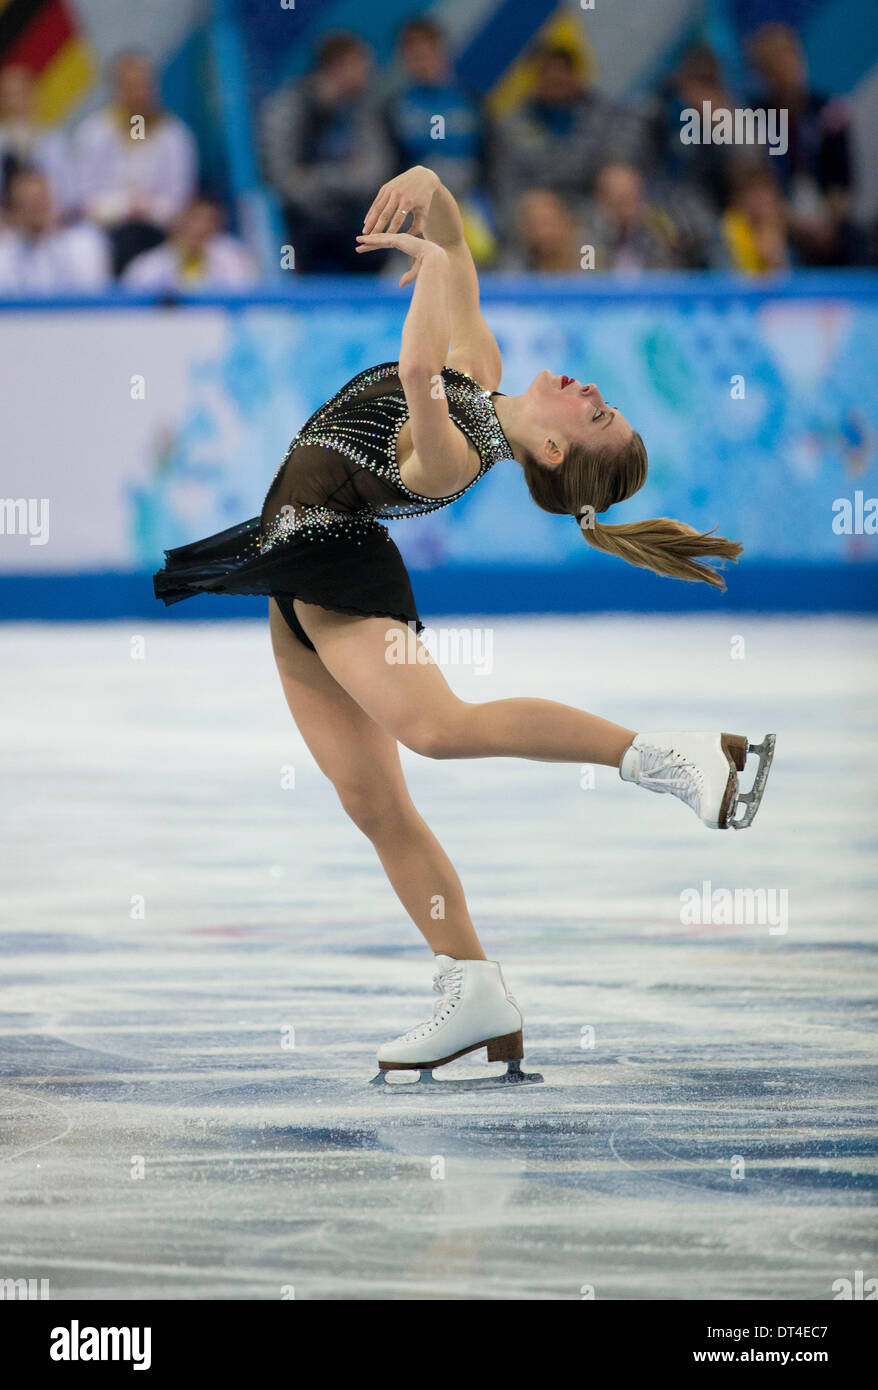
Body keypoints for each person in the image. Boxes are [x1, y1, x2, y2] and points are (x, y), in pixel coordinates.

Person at [153, 165, 774, 1086]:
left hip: (337, 569)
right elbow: (452, 243)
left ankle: (678, 758)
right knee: (373, 803)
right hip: (290, 567)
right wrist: (432, 185)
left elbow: (415, 376)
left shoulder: (457, 449)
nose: (589, 385)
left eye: (593, 410)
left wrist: (434, 267)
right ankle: (472, 986)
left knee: (439, 730)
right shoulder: (479, 371)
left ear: (556, 449)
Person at [260, 32, 393, 274]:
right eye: (362, 63)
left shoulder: (362, 112)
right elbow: (283, 180)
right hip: (299, 221)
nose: (369, 71)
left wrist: (319, 178)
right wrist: (343, 176)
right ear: (337, 66)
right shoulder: (288, 108)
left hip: (350, 219)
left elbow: (374, 176)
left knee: (384, 240)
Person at [491, 44, 645, 229]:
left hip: (592, 205)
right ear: (535, 78)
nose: (555, 79)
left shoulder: (606, 117)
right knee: (538, 213)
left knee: (619, 180)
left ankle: (626, 252)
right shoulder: (511, 126)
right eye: (547, 73)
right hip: (539, 214)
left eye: (562, 73)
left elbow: (620, 155)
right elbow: (507, 187)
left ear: (576, 75)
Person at [73, 50, 198, 275]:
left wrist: (149, 208)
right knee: (87, 246)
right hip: (106, 230)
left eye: (143, 86)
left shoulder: (174, 135)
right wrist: (124, 207)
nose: (137, 94)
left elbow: (181, 197)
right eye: (129, 86)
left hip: (160, 228)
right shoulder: (94, 133)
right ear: (117, 89)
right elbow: (84, 196)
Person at [747, 23, 860, 266]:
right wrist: (791, 221)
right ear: (765, 75)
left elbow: (843, 180)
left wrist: (828, 223)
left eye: (791, 62)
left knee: (854, 243)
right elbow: (757, 181)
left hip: (828, 217)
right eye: (776, 67)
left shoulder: (829, 110)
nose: (788, 72)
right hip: (780, 217)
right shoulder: (754, 117)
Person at [384, 18, 484, 200]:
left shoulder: (471, 101)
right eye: (415, 55)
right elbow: (389, 166)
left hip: (471, 201)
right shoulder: (393, 108)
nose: (423, 62)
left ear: (442, 52)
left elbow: (491, 157)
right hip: (415, 202)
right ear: (404, 58)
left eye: (428, 52)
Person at [0, 168, 110, 291]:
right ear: (13, 211)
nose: (35, 212)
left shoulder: (82, 247)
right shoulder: (3, 256)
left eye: (41, 202)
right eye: (28, 205)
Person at [123, 197, 257, 290]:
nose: (200, 228)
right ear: (178, 223)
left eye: (208, 221)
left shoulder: (234, 258)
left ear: (218, 226)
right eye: (193, 221)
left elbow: (247, 296)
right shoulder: (148, 266)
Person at [0, 64, 75, 216]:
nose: (15, 101)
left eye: (20, 93)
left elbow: (68, 190)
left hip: (51, 219)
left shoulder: (54, 140)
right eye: (8, 95)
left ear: (33, 94)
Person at [721, 165, 792, 274]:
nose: (762, 203)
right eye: (755, 195)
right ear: (739, 199)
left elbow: (789, 281)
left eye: (766, 195)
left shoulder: (784, 228)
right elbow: (727, 280)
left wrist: (774, 257)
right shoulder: (727, 232)